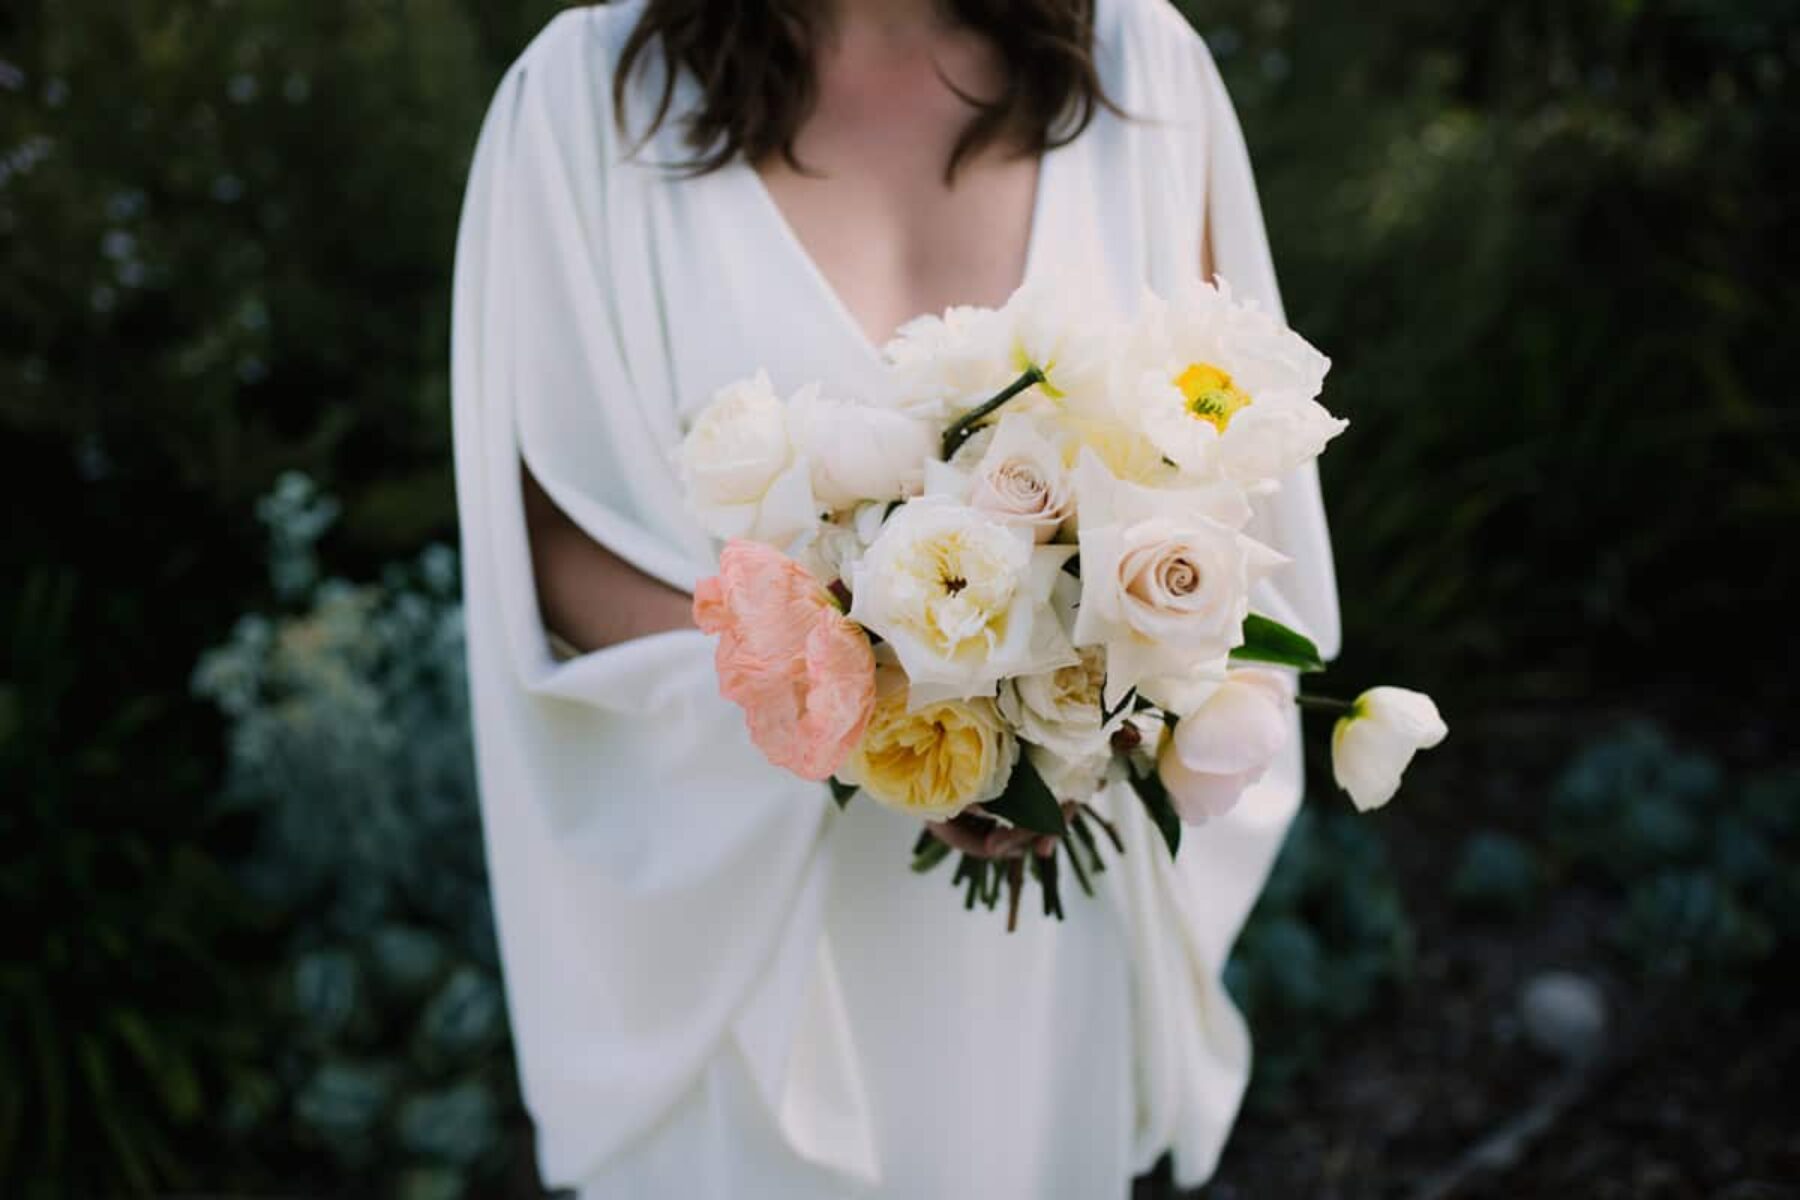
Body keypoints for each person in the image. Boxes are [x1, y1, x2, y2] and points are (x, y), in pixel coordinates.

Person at [448, 0, 1342, 1196]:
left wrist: (1072, 705)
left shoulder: (1146, 69)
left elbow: (1228, 468)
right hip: (739, 895)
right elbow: (549, 524)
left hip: (1037, 923)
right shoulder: (583, 99)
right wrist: (860, 709)